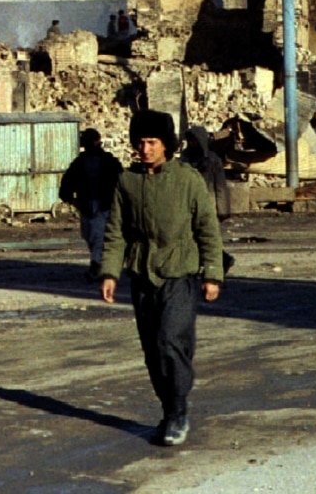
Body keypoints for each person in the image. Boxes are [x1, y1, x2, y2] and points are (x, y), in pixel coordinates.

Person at [101, 109, 224, 447]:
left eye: (152, 142)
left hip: (179, 273)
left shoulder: (188, 180)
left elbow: (208, 231)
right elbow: (116, 232)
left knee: (171, 342)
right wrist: (110, 271)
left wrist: (212, 274)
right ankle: (169, 409)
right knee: (153, 351)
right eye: (140, 142)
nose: (145, 149)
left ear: (166, 145)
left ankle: (178, 410)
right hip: (142, 275)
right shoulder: (127, 182)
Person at [58, 128, 123, 280]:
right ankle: (99, 264)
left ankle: (97, 266)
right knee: (91, 236)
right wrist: (74, 201)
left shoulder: (108, 162)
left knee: (98, 238)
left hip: (103, 207)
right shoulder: (81, 163)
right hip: (89, 206)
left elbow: (120, 184)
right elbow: (66, 187)